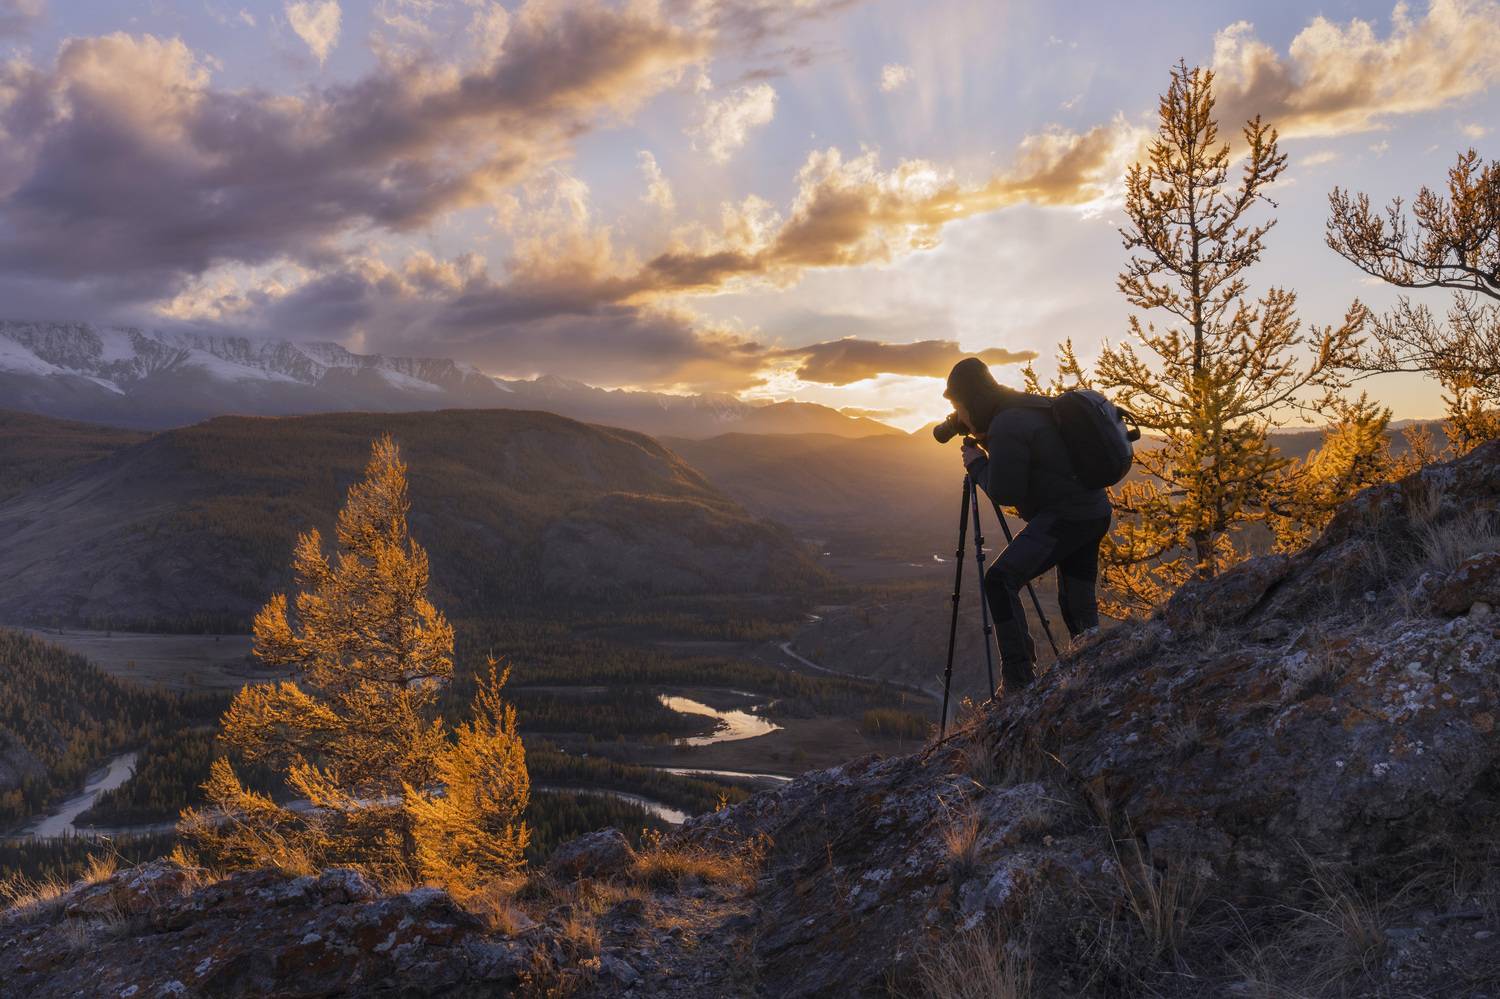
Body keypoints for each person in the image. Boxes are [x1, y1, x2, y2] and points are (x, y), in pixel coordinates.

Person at [943, 357, 1112, 692]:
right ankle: (1097, 670)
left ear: (969, 400)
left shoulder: (1007, 423)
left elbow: (1005, 491)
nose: (959, 416)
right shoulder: (1024, 405)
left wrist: (977, 466)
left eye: (958, 406)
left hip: (1067, 515)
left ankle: (1019, 682)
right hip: (1092, 509)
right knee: (1076, 600)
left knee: (999, 580)